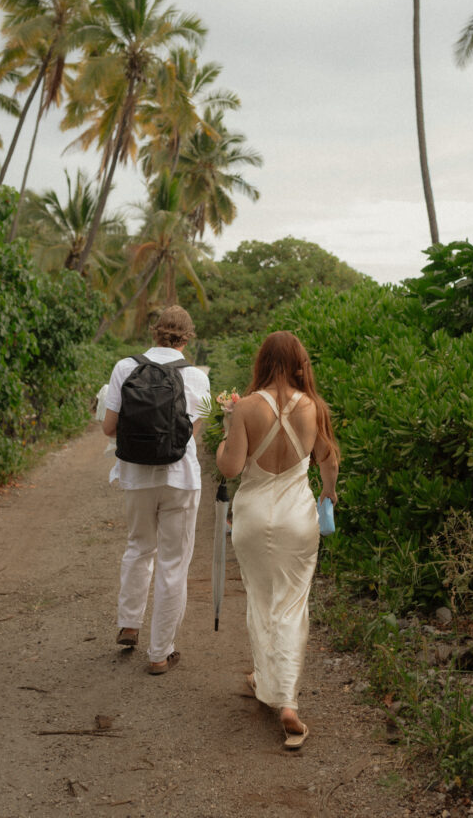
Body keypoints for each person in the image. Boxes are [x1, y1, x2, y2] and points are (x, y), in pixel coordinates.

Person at [216, 330, 339, 748]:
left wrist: (224, 436)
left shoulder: (246, 408)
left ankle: (270, 685)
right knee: (290, 603)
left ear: (262, 362)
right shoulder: (315, 407)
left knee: (260, 599)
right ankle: (285, 700)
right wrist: (328, 492)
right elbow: (329, 461)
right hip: (296, 518)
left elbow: (231, 468)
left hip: (252, 518)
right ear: (299, 362)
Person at [102, 305, 210, 674]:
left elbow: (108, 427)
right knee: (172, 562)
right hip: (179, 478)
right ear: (187, 336)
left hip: (135, 475)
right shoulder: (198, 377)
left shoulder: (124, 367)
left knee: (137, 546)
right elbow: (194, 434)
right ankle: (160, 653)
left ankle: (129, 622)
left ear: (155, 332)